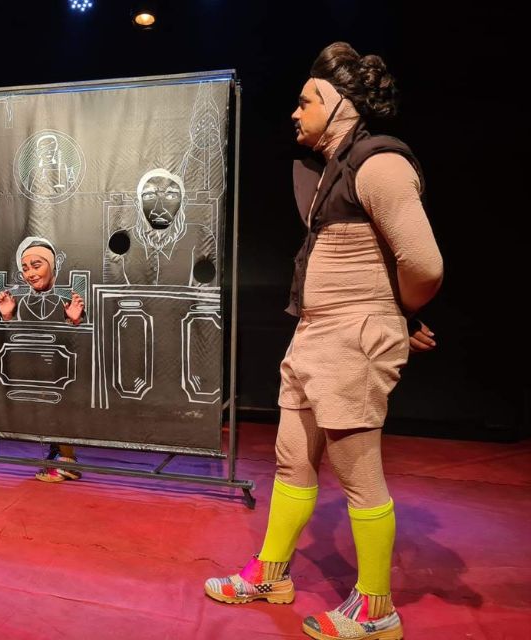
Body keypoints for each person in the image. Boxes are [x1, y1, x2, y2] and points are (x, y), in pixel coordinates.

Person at [203, 42, 443, 640]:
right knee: (291, 457)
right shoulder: (333, 171)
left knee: (358, 472)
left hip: (352, 336)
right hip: (314, 334)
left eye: (307, 100)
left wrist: (396, 314)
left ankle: (376, 608)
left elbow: (424, 264)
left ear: (340, 104)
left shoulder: (379, 164)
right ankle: (272, 574)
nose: (296, 111)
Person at [0, 237, 85, 482]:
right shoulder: (22, 300)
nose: (31, 274)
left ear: (53, 265)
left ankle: (68, 462)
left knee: (59, 410)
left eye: (37, 266)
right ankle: (61, 458)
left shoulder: (66, 297)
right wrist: (7, 316)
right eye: (25, 269)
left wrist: (74, 321)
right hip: (32, 370)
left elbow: (77, 340)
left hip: (61, 373)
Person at [106, 168, 217, 286]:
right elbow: (110, 289)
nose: (159, 209)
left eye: (171, 196)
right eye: (149, 196)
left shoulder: (199, 236)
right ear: (138, 205)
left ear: (183, 203)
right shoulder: (120, 241)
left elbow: (206, 291)